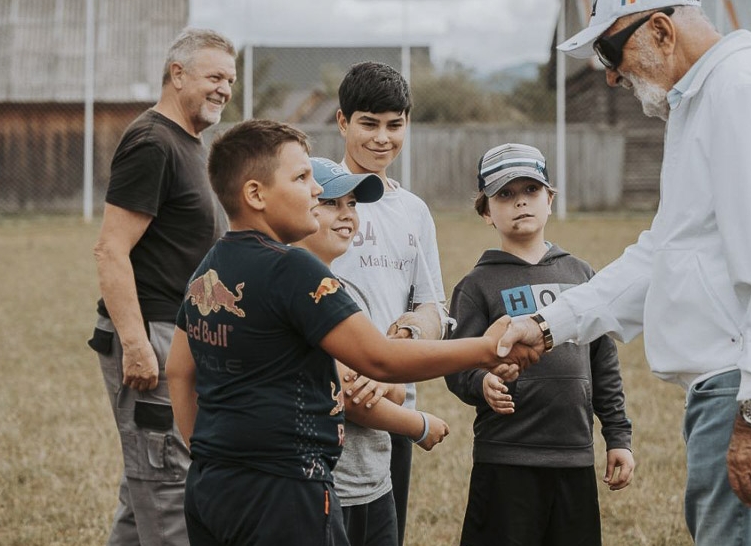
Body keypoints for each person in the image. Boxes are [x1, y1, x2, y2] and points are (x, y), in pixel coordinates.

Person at [496, 0, 751, 546]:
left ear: (661, 30)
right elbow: (664, 255)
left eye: (610, 54)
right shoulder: (707, 102)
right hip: (738, 385)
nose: (612, 77)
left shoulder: (743, 94)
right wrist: (549, 325)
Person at [163, 119, 534, 546]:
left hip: (211, 486)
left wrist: (208, 455)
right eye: (302, 178)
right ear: (255, 194)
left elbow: (178, 371)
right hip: (286, 495)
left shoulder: (210, 265)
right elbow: (379, 359)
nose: (316, 190)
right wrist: (486, 349)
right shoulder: (292, 268)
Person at [445, 143, 635, 546]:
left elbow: (604, 363)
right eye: (505, 195)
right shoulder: (476, 286)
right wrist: (481, 383)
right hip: (506, 457)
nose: (520, 203)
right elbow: (457, 364)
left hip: (574, 455)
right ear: (485, 212)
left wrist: (617, 437)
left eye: (531, 190)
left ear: (550, 200)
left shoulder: (582, 275)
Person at [90, 28, 236, 546]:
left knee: (146, 491)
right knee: (168, 486)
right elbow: (111, 249)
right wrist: (135, 346)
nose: (225, 89)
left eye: (230, 80)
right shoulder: (152, 142)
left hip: (179, 335)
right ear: (178, 74)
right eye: (214, 76)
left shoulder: (190, 143)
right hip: (151, 336)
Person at [297, 156, 451, 546]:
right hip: (324, 487)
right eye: (331, 203)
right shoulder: (303, 291)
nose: (347, 214)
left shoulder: (350, 294)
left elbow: (388, 383)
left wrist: (383, 381)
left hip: (373, 483)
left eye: (352, 204)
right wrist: (419, 426)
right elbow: (348, 395)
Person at [329, 62, 445, 546]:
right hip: (332, 406)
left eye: (395, 124)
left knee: (384, 533)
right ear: (342, 122)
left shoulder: (413, 210)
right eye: (369, 123)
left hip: (395, 404)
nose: (383, 138)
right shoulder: (315, 195)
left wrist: (410, 335)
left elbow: (434, 308)